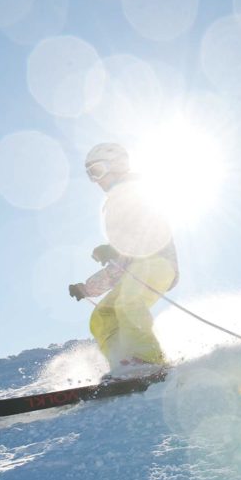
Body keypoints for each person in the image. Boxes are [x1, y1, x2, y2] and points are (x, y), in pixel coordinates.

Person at [68, 142, 178, 377]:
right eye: (90, 175)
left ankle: (148, 359)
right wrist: (87, 288)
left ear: (117, 165)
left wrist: (115, 249)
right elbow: (120, 267)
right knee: (102, 317)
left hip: (158, 263)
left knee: (128, 301)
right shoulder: (113, 201)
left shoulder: (136, 190)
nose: (95, 180)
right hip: (136, 268)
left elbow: (151, 229)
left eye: (97, 171)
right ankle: (123, 365)